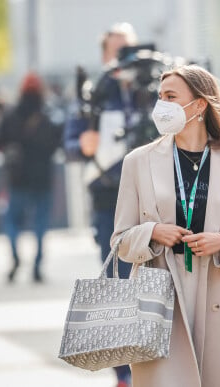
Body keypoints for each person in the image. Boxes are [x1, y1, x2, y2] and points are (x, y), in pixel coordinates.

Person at [110, 64, 220, 386]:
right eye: (160, 97)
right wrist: (152, 232)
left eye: (171, 96)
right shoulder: (137, 163)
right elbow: (120, 240)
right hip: (158, 302)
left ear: (199, 105)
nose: (162, 105)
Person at [63, 22, 139, 387]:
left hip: (153, 199)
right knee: (116, 282)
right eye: (116, 50)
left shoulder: (156, 90)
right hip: (108, 198)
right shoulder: (91, 97)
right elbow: (71, 145)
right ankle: (123, 373)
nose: (122, 58)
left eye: (128, 49)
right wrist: (84, 144)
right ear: (104, 55)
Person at [0, 72, 62, 283]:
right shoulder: (48, 115)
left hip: (18, 179)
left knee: (11, 221)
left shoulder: (11, 114)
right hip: (42, 178)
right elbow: (56, 144)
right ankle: (37, 265)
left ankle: (15, 257)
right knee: (40, 224)